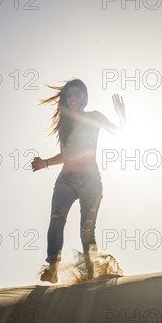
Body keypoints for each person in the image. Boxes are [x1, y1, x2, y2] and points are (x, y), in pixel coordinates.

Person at [32, 79, 126, 283]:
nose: (74, 98)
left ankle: (92, 274)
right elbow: (67, 154)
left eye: (78, 94)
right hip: (66, 179)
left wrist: (121, 115)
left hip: (91, 181)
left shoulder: (95, 117)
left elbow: (120, 133)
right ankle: (53, 267)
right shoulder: (64, 125)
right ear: (66, 98)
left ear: (85, 98)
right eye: (70, 95)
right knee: (56, 218)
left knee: (86, 230)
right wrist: (45, 162)